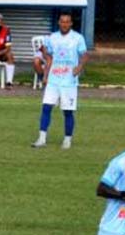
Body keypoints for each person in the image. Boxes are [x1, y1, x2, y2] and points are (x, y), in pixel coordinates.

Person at [32, 12, 88, 150]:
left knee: (67, 112)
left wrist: (79, 67)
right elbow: (49, 58)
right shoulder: (52, 38)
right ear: (59, 22)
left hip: (69, 81)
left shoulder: (77, 38)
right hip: (54, 79)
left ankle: (67, 139)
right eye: (62, 21)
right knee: (46, 107)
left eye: (67, 21)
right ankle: (42, 138)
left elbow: (85, 55)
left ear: (71, 23)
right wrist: (45, 75)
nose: (64, 24)